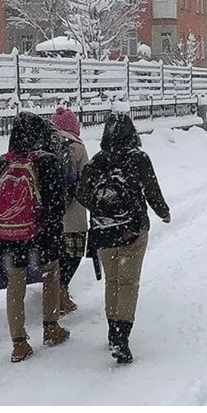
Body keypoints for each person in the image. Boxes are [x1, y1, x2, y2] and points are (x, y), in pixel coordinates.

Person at [76, 111, 171, 365]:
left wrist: (102, 206)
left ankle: (112, 331)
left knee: (113, 282)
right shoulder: (139, 158)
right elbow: (152, 190)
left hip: (103, 232)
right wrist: (164, 212)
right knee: (129, 284)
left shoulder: (96, 162)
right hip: (132, 230)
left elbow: (81, 194)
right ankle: (122, 337)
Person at [0, 111, 69, 363]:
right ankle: (51, 327)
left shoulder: (2, 161)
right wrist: (42, 223)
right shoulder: (46, 161)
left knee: (15, 285)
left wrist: (12, 215)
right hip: (42, 235)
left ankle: (19, 343)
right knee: (51, 274)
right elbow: (56, 203)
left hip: (9, 237)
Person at [50, 107, 90, 316]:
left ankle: (55, 291)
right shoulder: (77, 148)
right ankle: (62, 290)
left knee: (55, 255)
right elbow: (87, 180)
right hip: (74, 214)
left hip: (51, 215)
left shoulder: (45, 146)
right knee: (73, 254)